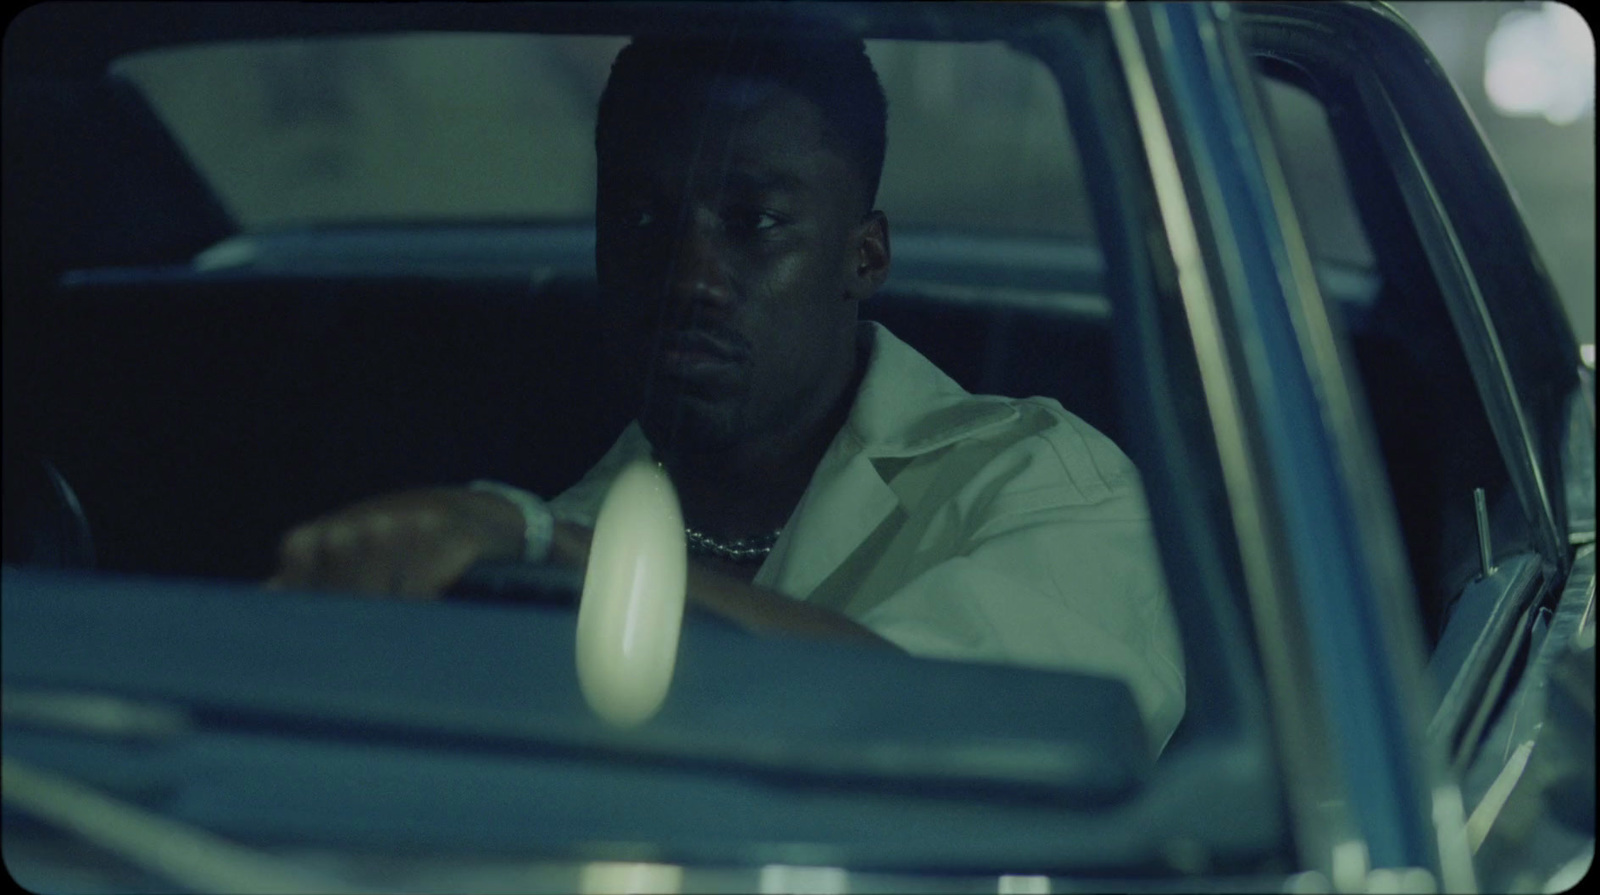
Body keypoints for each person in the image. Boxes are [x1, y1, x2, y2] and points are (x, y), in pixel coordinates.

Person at [268, 31, 1185, 752]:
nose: (689, 276)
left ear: (862, 257)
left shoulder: (1038, 483)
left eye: (754, 222)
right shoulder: (526, 547)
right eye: (639, 217)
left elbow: (983, 730)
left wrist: (552, 551)